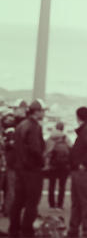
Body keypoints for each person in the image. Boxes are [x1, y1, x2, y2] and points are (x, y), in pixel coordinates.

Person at [6, 100, 45, 237]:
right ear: (37, 112)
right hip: (32, 169)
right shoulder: (34, 126)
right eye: (42, 111)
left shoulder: (21, 125)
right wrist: (42, 161)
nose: (43, 113)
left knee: (18, 200)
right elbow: (35, 148)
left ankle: (14, 229)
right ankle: (27, 230)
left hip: (20, 168)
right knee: (32, 201)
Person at [67, 106, 87, 238]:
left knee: (83, 202)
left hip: (82, 172)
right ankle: (75, 230)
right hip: (82, 171)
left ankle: (84, 231)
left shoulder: (86, 131)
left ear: (77, 117)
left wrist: (82, 163)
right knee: (79, 201)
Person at [45, 122, 71, 210]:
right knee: (62, 186)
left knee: (51, 185)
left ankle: (51, 204)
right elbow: (71, 148)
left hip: (53, 165)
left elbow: (47, 152)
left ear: (56, 127)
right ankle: (60, 204)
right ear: (63, 128)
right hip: (64, 165)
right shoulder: (66, 137)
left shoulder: (50, 138)